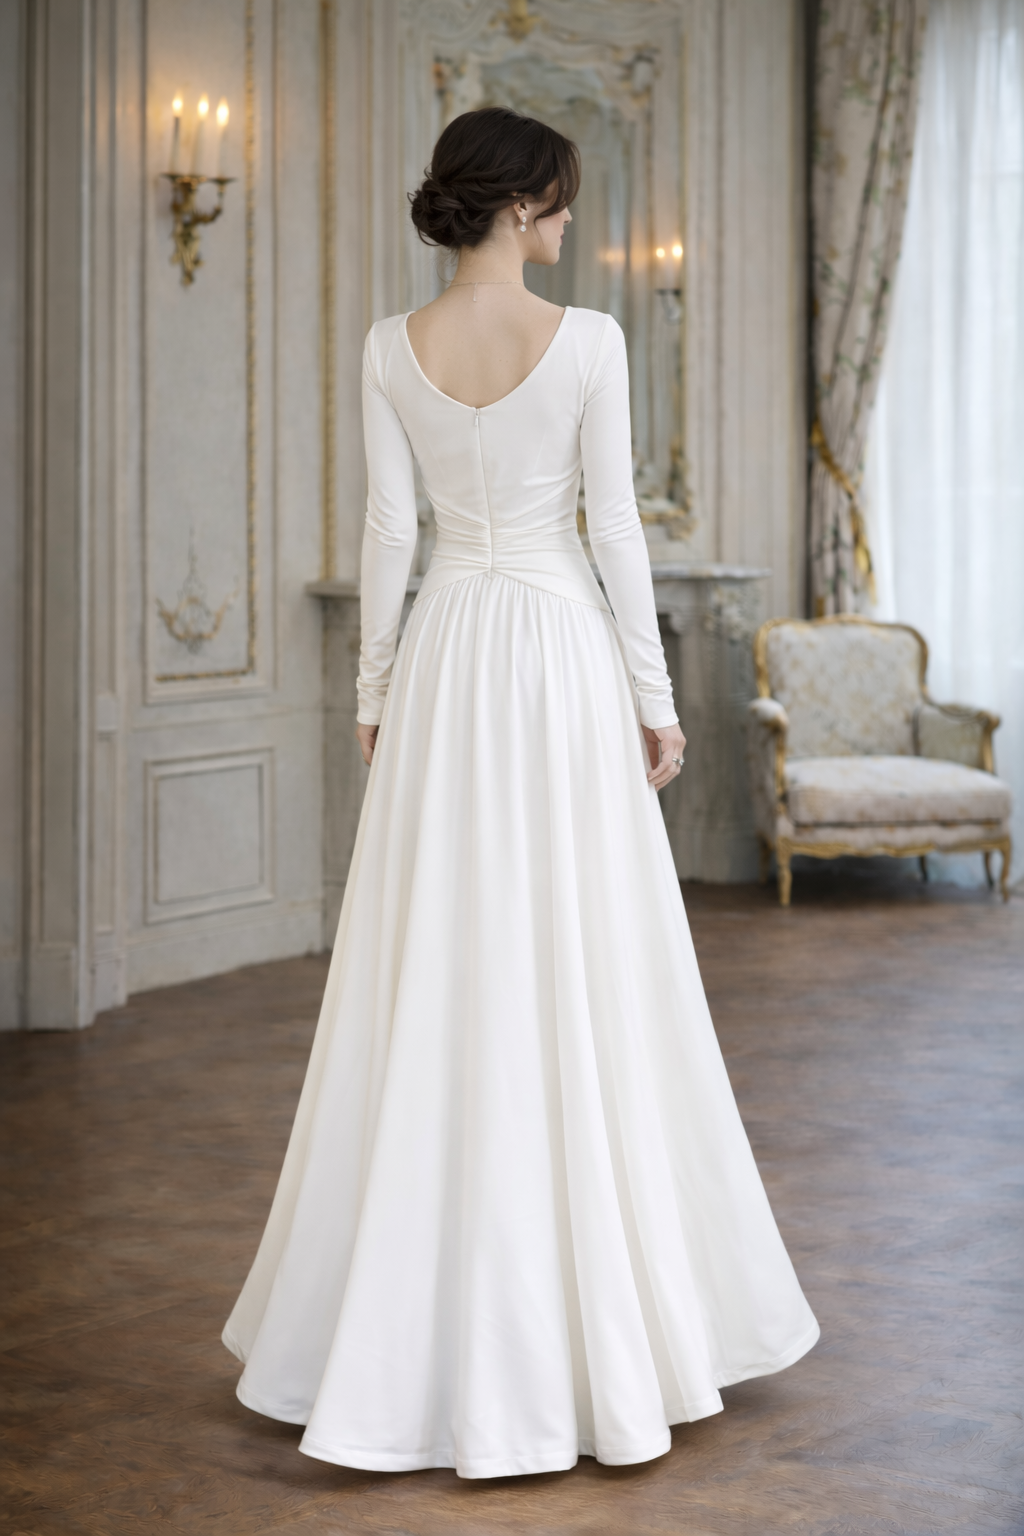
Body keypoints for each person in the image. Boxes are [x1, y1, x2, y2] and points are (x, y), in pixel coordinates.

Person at [222, 106, 819, 1479]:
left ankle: (409, 1323)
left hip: (444, 656)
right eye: (557, 200)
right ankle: (591, 1307)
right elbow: (614, 528)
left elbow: (388, 530)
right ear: (521, 202)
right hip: (552, 657)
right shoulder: (591, 341)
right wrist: (654, 704)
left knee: (441, 954)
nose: (568, 221)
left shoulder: (389, 345)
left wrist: (372, 688)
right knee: (581, 954)